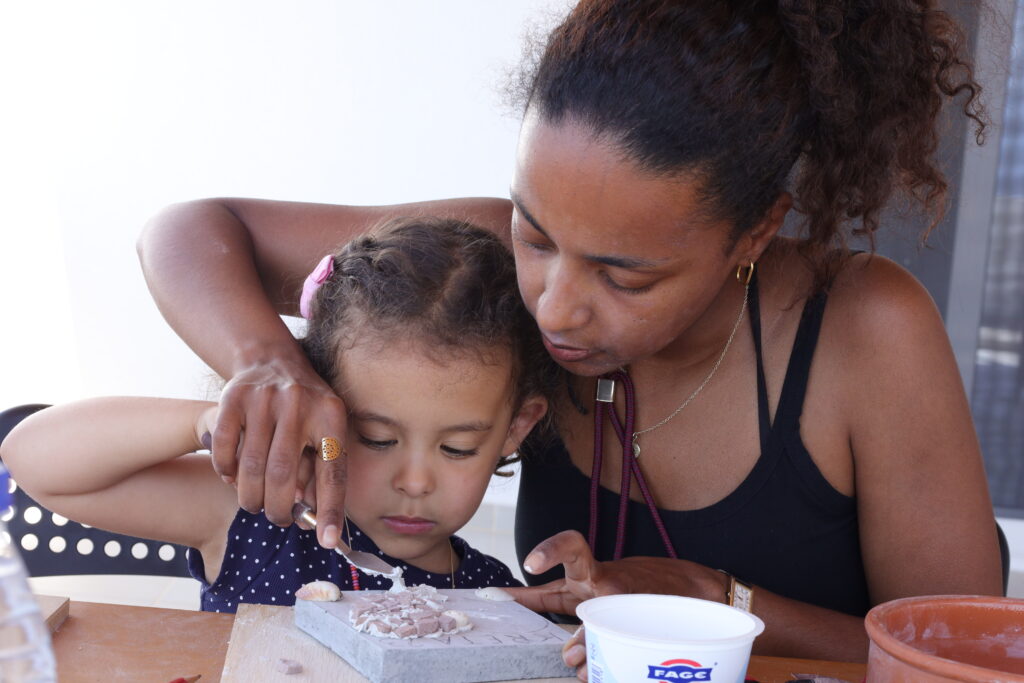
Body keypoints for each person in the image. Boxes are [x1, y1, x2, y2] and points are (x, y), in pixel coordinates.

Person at [135, 0, 1003, 665]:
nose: (553, 307)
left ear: (755, 231)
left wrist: (717, 598)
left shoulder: (863, 330)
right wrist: (269, 363)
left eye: (624, 275)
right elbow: (190, 230)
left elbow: (965, 660)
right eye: (537, 233)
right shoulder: (484, 270)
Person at [3, 218, 557, 613]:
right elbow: (33, 459)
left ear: (516, 428)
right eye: (374, 438)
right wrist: (212, 423)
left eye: (457, 448)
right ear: (313, 408)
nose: (415, 482)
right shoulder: (257, 519)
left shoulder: (493, 594)